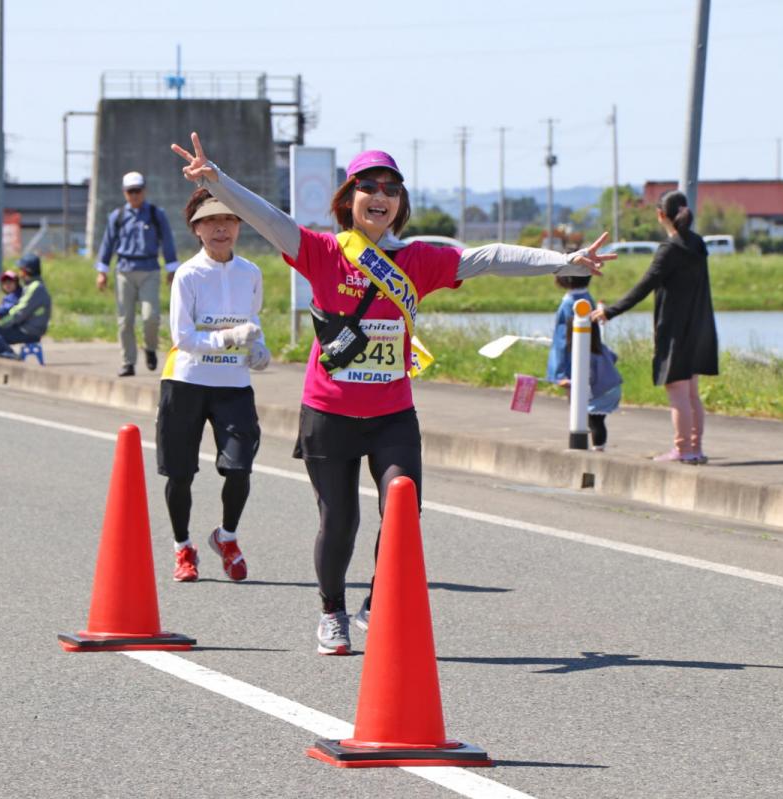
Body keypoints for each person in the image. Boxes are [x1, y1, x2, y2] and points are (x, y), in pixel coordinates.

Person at [173, 133, 614, 655]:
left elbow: (489, 256)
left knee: (403, 511)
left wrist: (564, 261)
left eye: (391, 189)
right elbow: (269, 218)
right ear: (349, 199)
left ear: (399, 204)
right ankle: (332, 611)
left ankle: (375, 602)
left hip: (393, 414)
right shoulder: (321, 251)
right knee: (340, 520)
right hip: (329, 413)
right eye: (368, 187)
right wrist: (218, 179)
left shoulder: (420, 261)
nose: (380, 196)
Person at [158, 187, 270, 584]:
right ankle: (183, 548)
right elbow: (182, 337)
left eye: (228, 220)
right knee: (181, 473)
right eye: (210, 221)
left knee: (239, 467)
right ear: (196, 229)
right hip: (187, 381)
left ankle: (227, 537)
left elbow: (252, 324)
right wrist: (226, 338)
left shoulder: (251, 273)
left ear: (239, 225)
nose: (220, 227)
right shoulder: (188, 275)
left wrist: (259, 349)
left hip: (233, 385)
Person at [591, 190, 718, 464]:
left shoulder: (670, 250)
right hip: (699, 326)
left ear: (661, 215)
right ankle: (695, 448)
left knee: (678, 392)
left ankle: (683, 450)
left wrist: (608, 312)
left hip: (675, 329)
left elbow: (643, 287)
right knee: (692, 392)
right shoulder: (697, 244)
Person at [95, 171, 179, 377]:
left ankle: (150, 348)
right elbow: (108, 243)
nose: (134, 195)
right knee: (125, 320)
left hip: (149, 270)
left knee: (151, 317)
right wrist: (102, 271)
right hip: (124, 270)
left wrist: (171, 268)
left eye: (138, 190)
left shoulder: (155, 214)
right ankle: (128, 362)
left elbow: (167, 241)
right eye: (130, 191)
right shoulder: (118, 216)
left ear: (144, 191)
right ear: (124, 192)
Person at [547, 274, 622, 450]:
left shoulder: (568, 303)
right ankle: (599, 449)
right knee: (595, 420)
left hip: (581, 372)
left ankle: (592, 451)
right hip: (608, 380)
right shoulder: (588, 299)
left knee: (584, 416)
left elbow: (561, 341)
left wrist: (559, 373)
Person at [0, 254, 51, 359]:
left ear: (27, 271)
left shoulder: (35, 288)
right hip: (27, 327)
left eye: (21, 269)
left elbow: (20, 312)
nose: (19, 272)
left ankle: (10, 356)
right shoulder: (33, 286)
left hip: (29, 331)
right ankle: (7, 354)